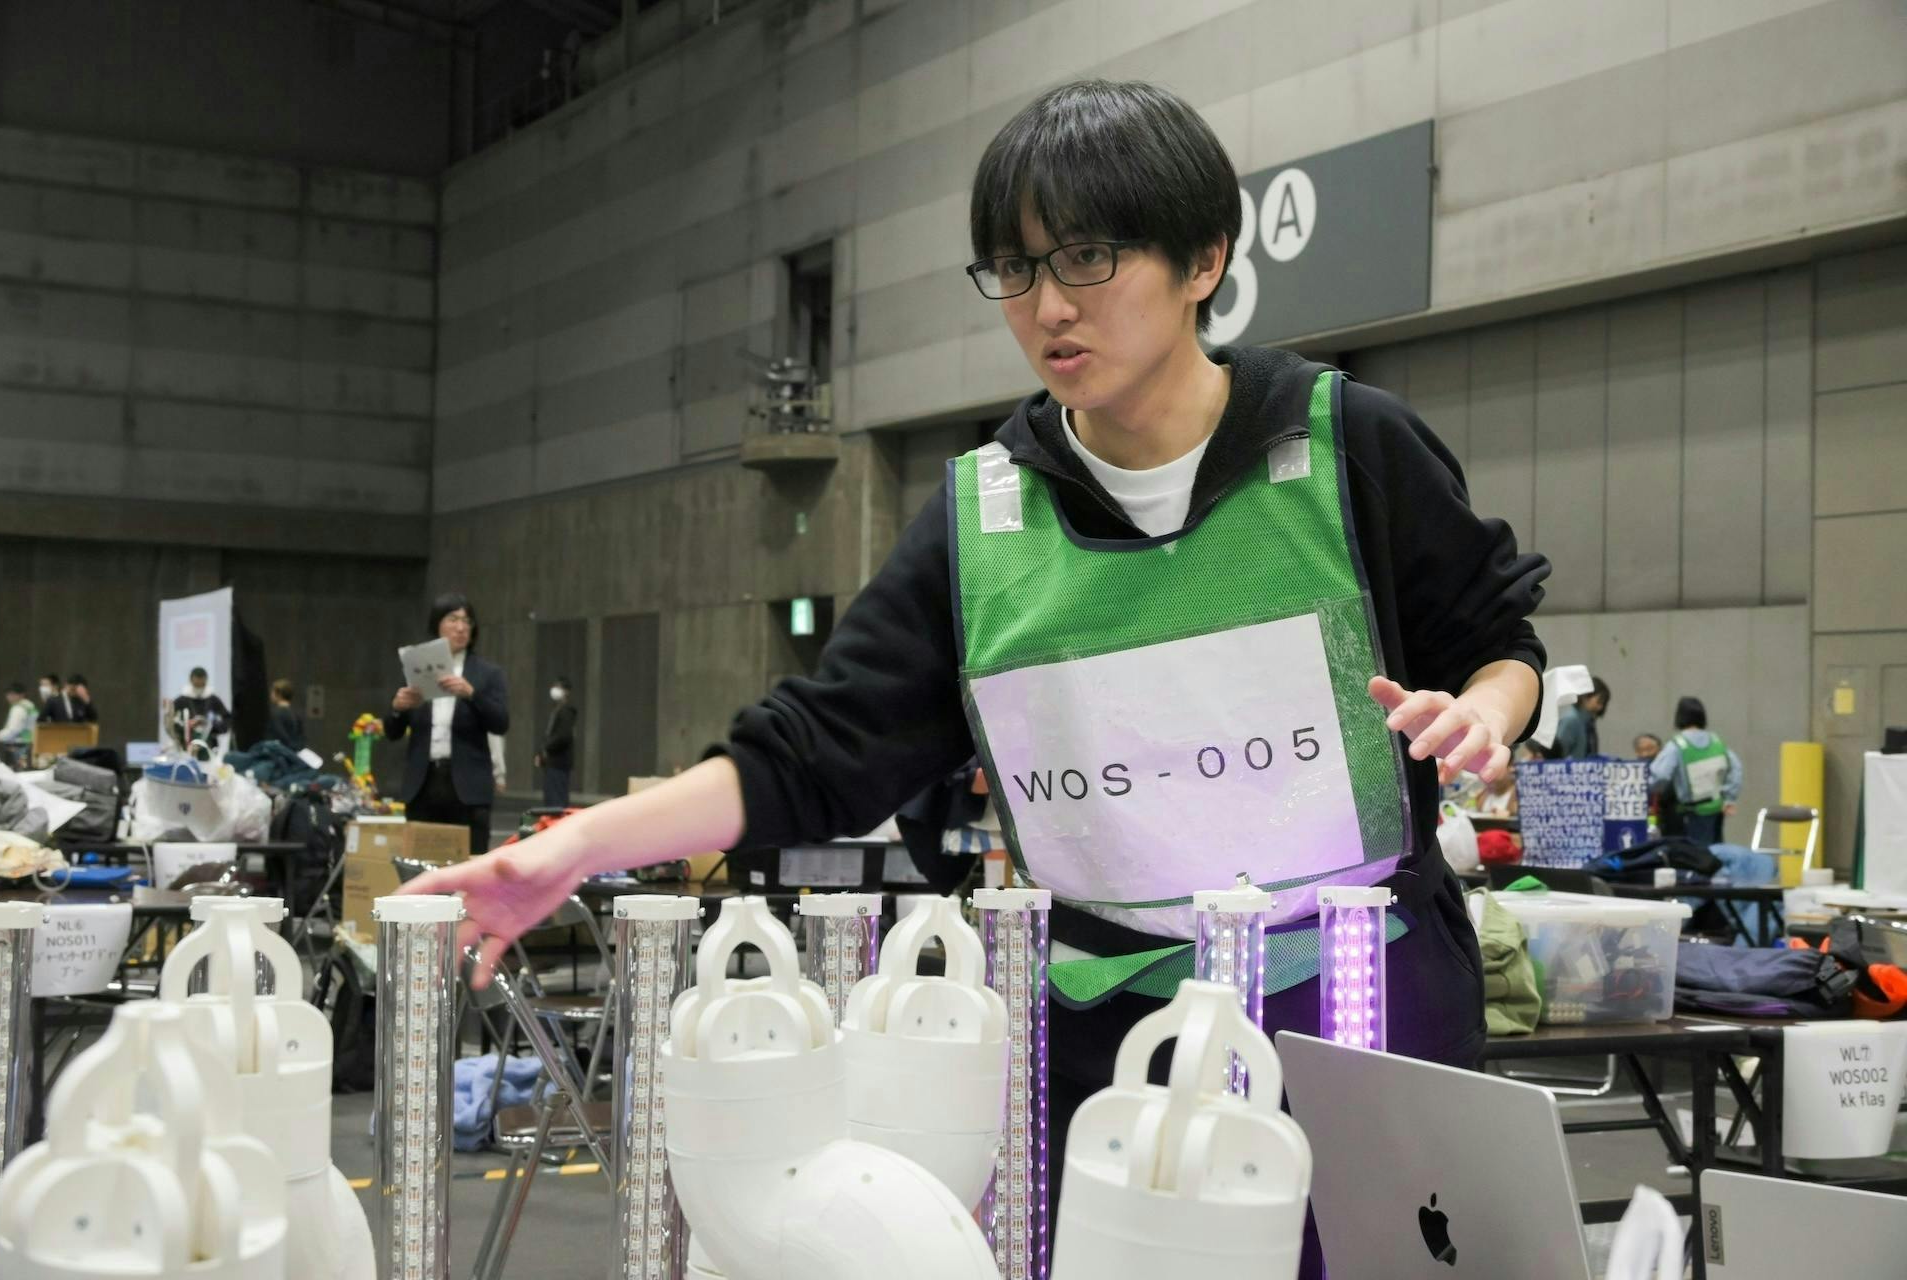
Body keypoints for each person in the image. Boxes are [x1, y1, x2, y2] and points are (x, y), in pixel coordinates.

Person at [403, 80, 1548, 1270]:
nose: (1048, 305)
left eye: (1089, 258)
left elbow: (1499, 637)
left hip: (1357, 1021)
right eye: (1014, 267)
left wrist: (1486, 709)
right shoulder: (980, 518)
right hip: (1106, 1058)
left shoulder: (1348, 443)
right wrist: (574, 848)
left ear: (1205, 258)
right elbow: (817, 749)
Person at [385, 593, 508, 854]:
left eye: (467, 621)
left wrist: (472, 694)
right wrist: (397, 709)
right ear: (437, 624)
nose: (461, 627)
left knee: (470, 864)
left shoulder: (487, 673)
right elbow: (392, 732)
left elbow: (500, 723)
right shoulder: (417, 667)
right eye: (453, 619)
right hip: (423, 783)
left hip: (468, 787)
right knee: (422, 865)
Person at [1650, 696, 1742, 846]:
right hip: (1716, 809)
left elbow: (1660, 775)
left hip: (1691, 814)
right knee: (1714, 853)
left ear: (1679, 717)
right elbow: (1736, 769)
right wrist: (1729, 797)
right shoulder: (1716, 741)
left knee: (1693, 854)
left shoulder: (1677, 745)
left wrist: (1652, 790)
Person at [535, 676, 577, 810]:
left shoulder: (566, 711)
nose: (554, 690)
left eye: (559, 687)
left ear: (566, 691)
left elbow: (563, 736)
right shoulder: (558, 710)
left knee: (556, 803)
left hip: (558, 763)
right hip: (553, 763)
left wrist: (546, 748)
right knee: (552, 800)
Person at [169, 667, 232, 751]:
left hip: (209, 743)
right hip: (186, 743)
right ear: (191, 681)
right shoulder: (181, 700)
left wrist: (211, 726)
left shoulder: (213, 699)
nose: (199, 686)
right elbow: (171, 721)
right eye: (196, 683)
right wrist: (186, 726)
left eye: (202, 683)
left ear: (206, 681)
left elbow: (227, 719)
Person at [1554, 675, 1609, 758]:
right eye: (1599, 701)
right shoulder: (1571, 720)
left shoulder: (1587, 722)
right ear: (1586, 696)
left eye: (1603, 703)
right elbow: (1559, 753)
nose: (1600, 707)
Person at [0, 685, 37, 766]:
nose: (9, 697)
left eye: (12, 694)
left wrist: (0, 735)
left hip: (19, 745)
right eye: (8, 694)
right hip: (31, 743)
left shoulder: (18, 708)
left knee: (19, 769)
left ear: (21, 695)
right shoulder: (30, 706)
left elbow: (14, 730)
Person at [268, 679, 307, 753]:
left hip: (281, 753)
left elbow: (279, 736)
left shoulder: (275, 714)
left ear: (279, 694)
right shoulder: (296, 714)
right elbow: (301, 736)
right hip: (294, 753)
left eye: (272, 692)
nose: (270, 695)